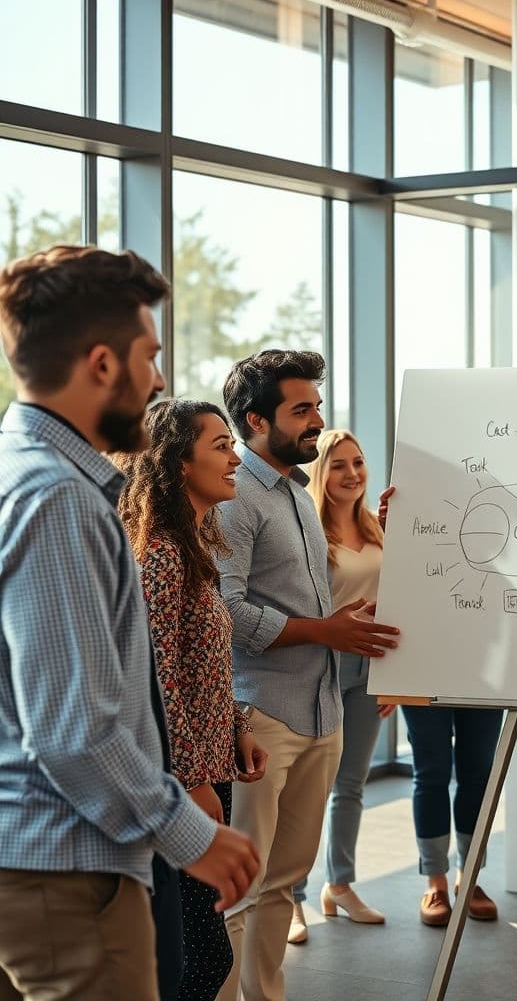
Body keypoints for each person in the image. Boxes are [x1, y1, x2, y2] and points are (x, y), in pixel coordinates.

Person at [0, 246, 259, 1001]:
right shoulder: (57, 499)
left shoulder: (28, 473)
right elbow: (74, 728)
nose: (159, 381)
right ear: (102, 362)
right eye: (149, 355)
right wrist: (189, 833)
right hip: (64, 869)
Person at [215, 350, 400, 1001]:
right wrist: (325, 629)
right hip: (262, 717)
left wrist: (344, 619)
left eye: (317, 406)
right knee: (241, 885)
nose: (316, 421)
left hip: (322, 712)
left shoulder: (296, 494)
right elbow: (226, 610)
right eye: (302, 409)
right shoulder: (235, 498)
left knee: (284, 877)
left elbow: (309, 603)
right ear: (255, 419)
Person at [116, 399, 270, 1001]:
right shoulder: (161, 555)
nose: (236, 458)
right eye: (220, 447)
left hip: (208, 771)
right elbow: (155, 679)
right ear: (179, 464)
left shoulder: (196, 546)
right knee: (202, 957)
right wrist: (189, 780)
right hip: (181, 783)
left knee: (198, 953)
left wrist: (236, 726)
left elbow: (202, 665)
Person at [375, 490, 503, 927]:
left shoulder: (499, 522)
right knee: (429, 772)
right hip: (422, 668)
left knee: (478, 773)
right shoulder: (414, 512)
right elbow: (390, 589)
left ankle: (471, 877)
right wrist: (392, 530)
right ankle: (435, 882)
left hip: (484, 674)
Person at [289, 429, 394, 944]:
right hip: (320, 667)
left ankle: (341, 886)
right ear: (319, 471)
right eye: (338, 465)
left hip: (370, 672)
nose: (351, 474)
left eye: (358, 463)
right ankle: (291, 899)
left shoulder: (377, 531)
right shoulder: (308, 531)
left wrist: (399, 678)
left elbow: (401, 601)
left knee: (351, 784)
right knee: (307, 790)